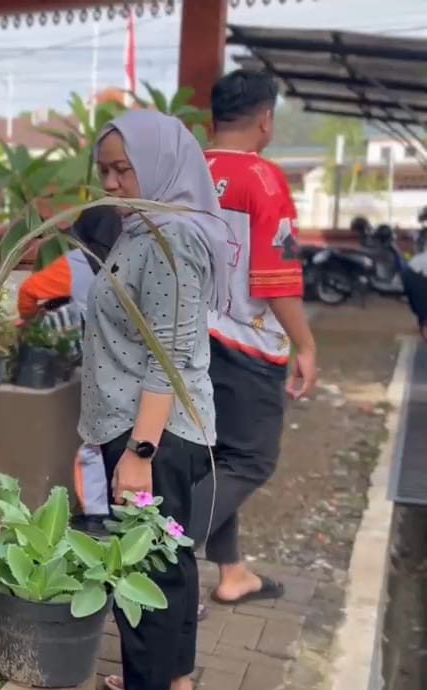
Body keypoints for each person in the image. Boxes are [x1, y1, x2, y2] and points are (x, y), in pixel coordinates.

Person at [83, 109, 227, 690]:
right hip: (139, 426)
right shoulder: (144, 229)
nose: (111, 183)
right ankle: (176, 688)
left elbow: (165, 356)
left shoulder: (169, 242)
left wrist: (139, 454)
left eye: (123, 169)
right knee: (170, 563)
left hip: (154, 435)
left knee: (145, 566)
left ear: (162, 167)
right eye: (105, 170)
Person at [186, 69, 318, 611]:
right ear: (266, 119)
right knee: (252, 460)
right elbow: (275, 277)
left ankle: (233, 571)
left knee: (217, 458)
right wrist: (306, 344)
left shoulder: (186, 170)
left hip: (191, 337)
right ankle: (157, 548)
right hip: (246, 343)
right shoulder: (263, 180)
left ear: (213, 117)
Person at [16, 207, 124, 529]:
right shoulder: (132, 260)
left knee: (92, 441)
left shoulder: (75, 263)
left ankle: (94, 514)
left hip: (95, 363)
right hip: (132, 365)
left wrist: (30, 319)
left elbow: (29, 291)